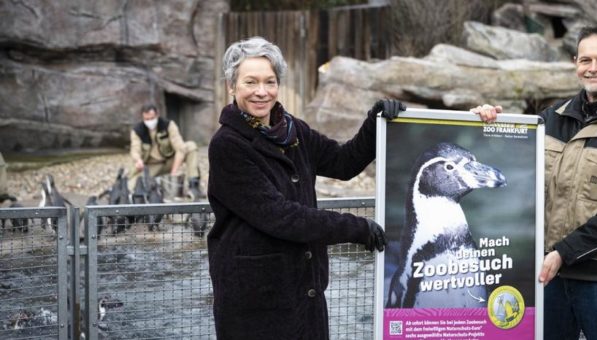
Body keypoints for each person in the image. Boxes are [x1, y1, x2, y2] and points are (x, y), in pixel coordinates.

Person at [472, 25, 597, 340]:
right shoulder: (550, 118)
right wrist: (482, 125)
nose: (593, 68)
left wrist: (565, 251)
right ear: (575, 63)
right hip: (548, 277)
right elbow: (510, 174)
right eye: (585, 60)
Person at [207, 36, 404, 339]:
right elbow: (280, 216)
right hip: (254, 303)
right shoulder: (227, 145)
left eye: (269, 82)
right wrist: (356, 228)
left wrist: (375, 122)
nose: (262, 92)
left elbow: (343, 163)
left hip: (304, 293)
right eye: (250, 82)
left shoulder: (293, 129)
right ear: (232, 86)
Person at [128, 104, 204, 200]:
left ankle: (194, 186)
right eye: (146, 119)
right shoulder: (137, 131)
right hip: (152, 166)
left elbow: (180, 148)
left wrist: (174, 171)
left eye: (152, 118)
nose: (149, 121)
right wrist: (138, 160)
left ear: (157, 115)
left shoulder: (168, 125)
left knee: (191, 146)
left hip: (170, 162)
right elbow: (135, 150)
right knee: (132, 186)